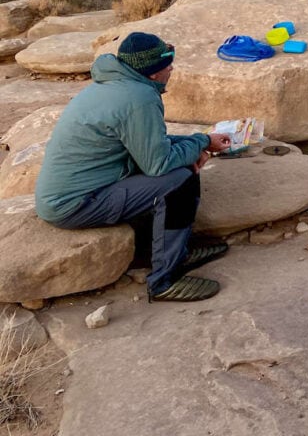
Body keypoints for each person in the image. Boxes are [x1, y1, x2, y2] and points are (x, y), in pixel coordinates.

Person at [35, 32, 233, 302]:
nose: (172, 68)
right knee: (180, 179)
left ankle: (177, 252)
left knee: (178, 168)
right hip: (75, 204)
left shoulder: (115, 83)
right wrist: (198, 144)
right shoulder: (139, 98)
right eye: (168, 63)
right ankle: (165, 280)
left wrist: (199, 143)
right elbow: (158, 164)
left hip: (72, 193)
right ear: (153, 73)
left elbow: (147, 144)